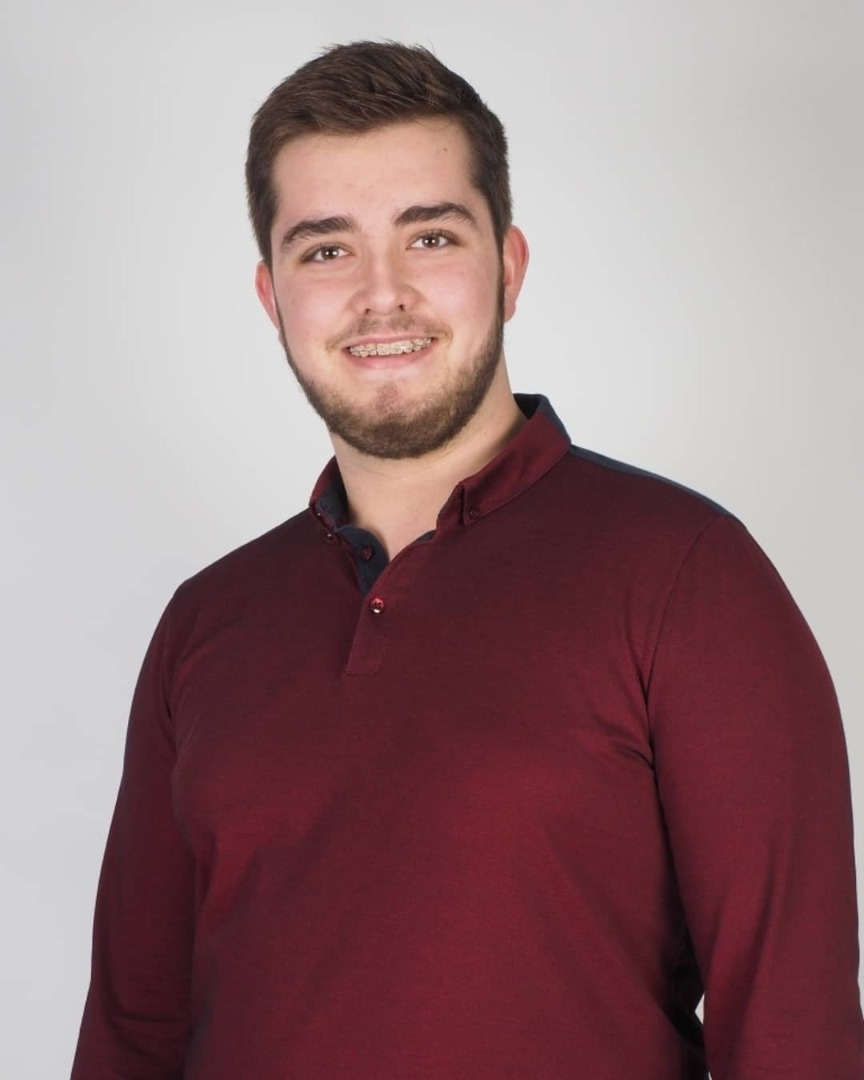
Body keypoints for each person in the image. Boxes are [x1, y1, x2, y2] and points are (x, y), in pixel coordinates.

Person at [71, 40, 863, 1080]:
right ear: (272, 297)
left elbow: (794, 1030)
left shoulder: (688, 575)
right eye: (326, 249)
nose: (382, 294)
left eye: (431, 236)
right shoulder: (206, 621)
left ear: (509, 267)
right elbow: (134, 1031)